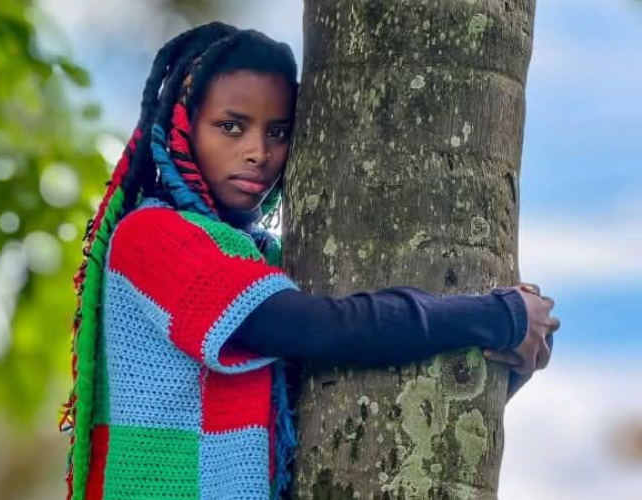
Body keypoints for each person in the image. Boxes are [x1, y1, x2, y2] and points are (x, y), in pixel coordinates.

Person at [58, 22, 561, 500]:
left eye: (277, 133)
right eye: (230, 127)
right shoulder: (152, 238)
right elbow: (327, 329)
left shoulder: (262, 262)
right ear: (183, 127)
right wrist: (499, 316)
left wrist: (515, 355)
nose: (257, 152)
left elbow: (346, 392)